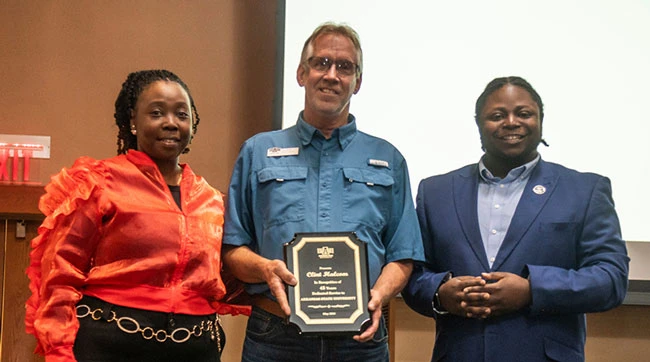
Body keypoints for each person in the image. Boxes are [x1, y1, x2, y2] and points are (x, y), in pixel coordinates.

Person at [222, 22, 424, 362]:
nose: (332, 75)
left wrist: (378, 295)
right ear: (302, 73)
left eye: (344, 67)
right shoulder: (257, 152)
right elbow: (233, 249)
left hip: (360, 339)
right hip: (275, 335)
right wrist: (264, 269)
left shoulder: (389, 159)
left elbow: (403, 255)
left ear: (357, 82)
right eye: (321, 63)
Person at [25, 69, 248, 362]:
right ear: (132, 120)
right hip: (109, 345)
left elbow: (228, 283)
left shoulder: (213, 200)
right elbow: (59, 273)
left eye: (181, 114)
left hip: (195, 348)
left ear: (192, 123)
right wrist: (60, 351)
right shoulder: (99, 183)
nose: (170, 123)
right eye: (157, 113)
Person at [402, 76, 629, 362]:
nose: (511, 122)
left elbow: (611, 279)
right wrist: (441, 293)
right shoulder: (435, 192)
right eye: (497, 115)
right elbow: (413, 274)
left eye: (524, 113)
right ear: (478, 125)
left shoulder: (584, 190)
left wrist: (532, 290)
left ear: (541, 120)